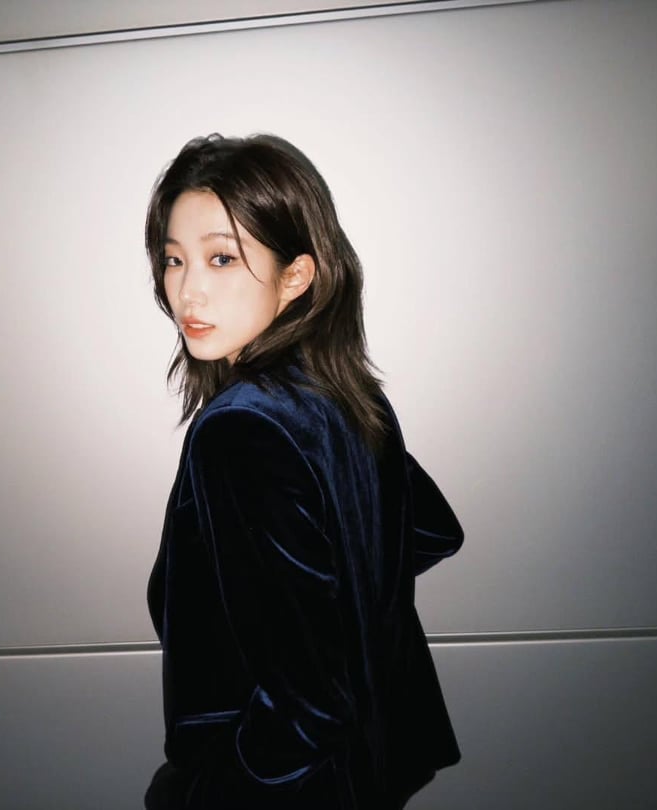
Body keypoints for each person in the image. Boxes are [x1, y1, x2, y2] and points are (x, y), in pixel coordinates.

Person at [144, 133, 463, 810]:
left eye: (221, 258)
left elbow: (309, 705)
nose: (187, 290)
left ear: (296, 276)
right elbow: (430, 530)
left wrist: (208, 792)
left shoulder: (241, 429)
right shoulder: (346, 394)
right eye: (174, 259)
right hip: (369, 767)